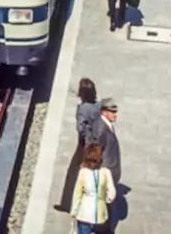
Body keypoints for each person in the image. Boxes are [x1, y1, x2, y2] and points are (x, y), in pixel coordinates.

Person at [57, 78, 101, 212]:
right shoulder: (98, 106)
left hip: (85, 145)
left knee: (74, 174)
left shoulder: (83, 108)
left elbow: (81, 128)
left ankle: (68, 204)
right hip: (97, 144)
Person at [69, 143, 117, 234]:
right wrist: (103, 199)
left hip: (84, 214)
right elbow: (112, 194)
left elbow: (77, 195)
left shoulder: (83, 173)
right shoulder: (106, 173)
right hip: (100, 215)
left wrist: (74, 212)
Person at [87, 98, 122, 188]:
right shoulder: (101, 129)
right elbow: (95, 152)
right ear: (104, 112)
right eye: (112, 112)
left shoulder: (106, 124)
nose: (115, 115)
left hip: (110, 172)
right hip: (106, 173)